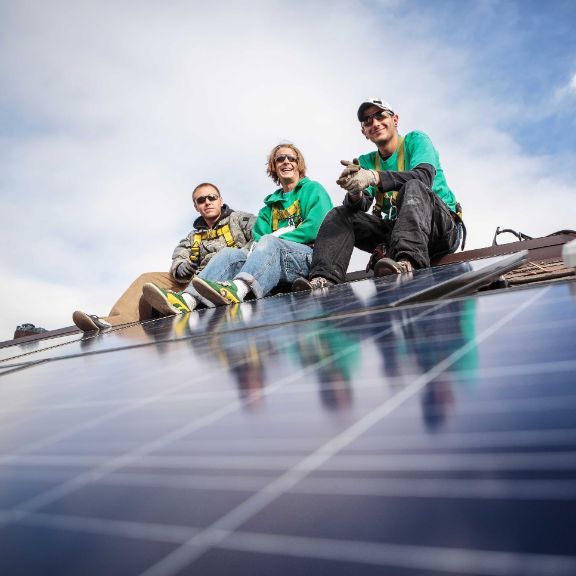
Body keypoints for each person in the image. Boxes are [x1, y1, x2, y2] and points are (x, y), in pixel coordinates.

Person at [293, 97, 463, 290]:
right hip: (398, 234)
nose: (374, 123)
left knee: (413, 186)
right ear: (364, 132)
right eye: (367, 121)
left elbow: (423, 176)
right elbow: (360, 206)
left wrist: (374, 177)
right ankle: (323, 280)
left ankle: (408, 264)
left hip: (440, 228)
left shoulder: (416, 141)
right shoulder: (366, 161)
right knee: (340, 214)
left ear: (395, 120)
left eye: (380, 115)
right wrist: (355, 191)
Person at [142, 143, 333, 314]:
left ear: (298, 164)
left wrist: (278, 237)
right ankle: (186, 300)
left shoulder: (313, 190)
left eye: (291, 158)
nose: (286, 162)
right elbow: (257, 242)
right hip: (272, 264)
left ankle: (237, 289)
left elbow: (317, 227)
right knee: (229, 254)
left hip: (306, 258)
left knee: (269, 241)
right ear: (274, 167)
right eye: (280, 159)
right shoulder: (268, 208)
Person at [72, 183, 255, 331]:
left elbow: (259, 236)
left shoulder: (240, 219)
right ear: (196, 207)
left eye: (211, 198)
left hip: (230, 275)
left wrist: (241, 256)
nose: (207, 202)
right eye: (201, 200)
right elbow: (180, 256)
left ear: (221, 200)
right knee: (147, 278)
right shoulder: (193, 236)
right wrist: (182, 268)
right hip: (197, 278)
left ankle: (181, 303)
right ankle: (112, 322)